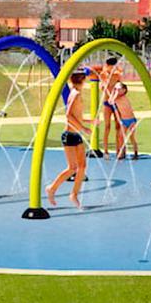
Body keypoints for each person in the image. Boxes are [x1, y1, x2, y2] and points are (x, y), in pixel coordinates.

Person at [46, 72, 95, 210]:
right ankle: (52, 188)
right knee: (72, 168)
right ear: (82, 80)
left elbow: (76, 116)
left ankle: (74, 194)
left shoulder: (75, 92)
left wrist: (90, 121)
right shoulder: (76, 94)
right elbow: (68, 116)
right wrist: (84, 128)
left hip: (76, 135)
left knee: (82, 167)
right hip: (69, 135)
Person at [91, 57, 124, 157]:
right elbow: (101, 86)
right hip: (107, 103)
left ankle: (119, 150)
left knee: (118, 126)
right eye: (110, 66)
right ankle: (105, 151)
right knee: (107, 126)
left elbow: (121, 85)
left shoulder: (117, 75)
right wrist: (104, 83)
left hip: (117, 103)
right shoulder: (104, 75)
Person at [112, 83, 140, 160]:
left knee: (131, 137)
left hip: (131, 120)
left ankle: (135, 152)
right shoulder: (116, 98)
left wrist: (116, 93)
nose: (117, 90)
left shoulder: (123, 97)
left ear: (124, 90)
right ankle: (121, 153)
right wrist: (114, 92)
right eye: (116, 89)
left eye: (119, 89)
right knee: (120, 137)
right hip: (124, 120)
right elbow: (111, 101)